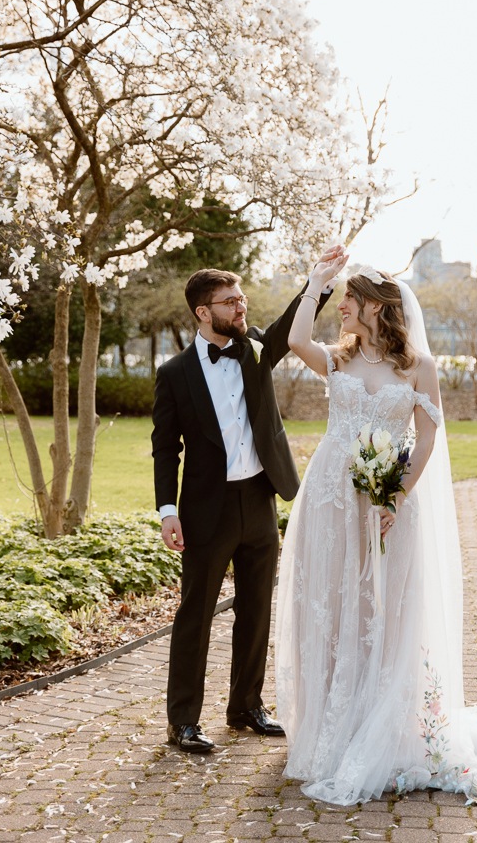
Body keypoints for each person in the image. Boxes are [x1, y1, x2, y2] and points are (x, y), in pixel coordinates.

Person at [276, 260, 477, 806]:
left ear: (375, 305)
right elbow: (295, 335)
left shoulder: (419, 366)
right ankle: (331, 726)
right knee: (327, 607)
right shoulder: (336, 359)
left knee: (386, 613)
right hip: (330, 499)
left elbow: (425, 441)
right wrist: (315, 284)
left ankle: (385, 726)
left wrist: (395, 494)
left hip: (387, 501)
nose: (342, 307)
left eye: (348, 299)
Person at [152, 254, 338, 753]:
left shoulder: (255, 348)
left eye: (242, 299)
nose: (240, 307)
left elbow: (288, 327)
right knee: (197, 613)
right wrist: (167, 510)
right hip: (205, 509)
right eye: (230, 302)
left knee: (256, 609)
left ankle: (246, 706)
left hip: (259, 496)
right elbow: (165, 446)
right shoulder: (174, 373)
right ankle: (183, 722)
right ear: (201, 312)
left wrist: (317, 284)